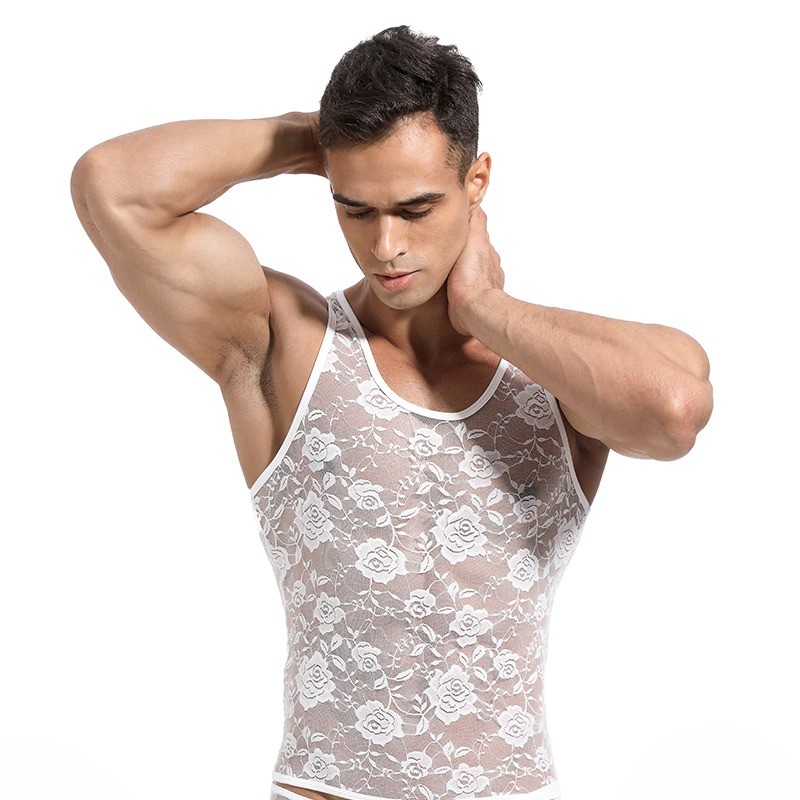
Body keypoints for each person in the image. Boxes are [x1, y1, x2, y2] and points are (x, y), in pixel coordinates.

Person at [70, 24, 712, 800]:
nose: (385, 246)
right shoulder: (289, 343)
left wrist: (485, 308)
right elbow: (112, 185)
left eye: (416, 207)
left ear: (476, 180)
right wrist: (310, 139)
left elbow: (675, 408)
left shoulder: (556, 371)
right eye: (355, 209)